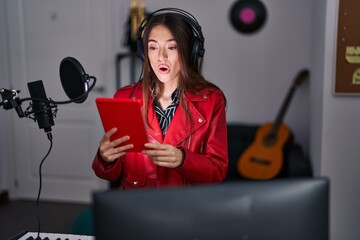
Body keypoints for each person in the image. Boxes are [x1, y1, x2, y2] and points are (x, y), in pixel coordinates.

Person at [92, 8, 228, 189]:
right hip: (137, 207)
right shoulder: (124, 97)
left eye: (171, 47)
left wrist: (183, 159)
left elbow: (218, 170)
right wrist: (105, 158)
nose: (161, 57)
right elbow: (110, 174)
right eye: (153, 47)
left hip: (186, 209)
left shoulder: (211, 100)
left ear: (190, 51)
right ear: (144, 52)